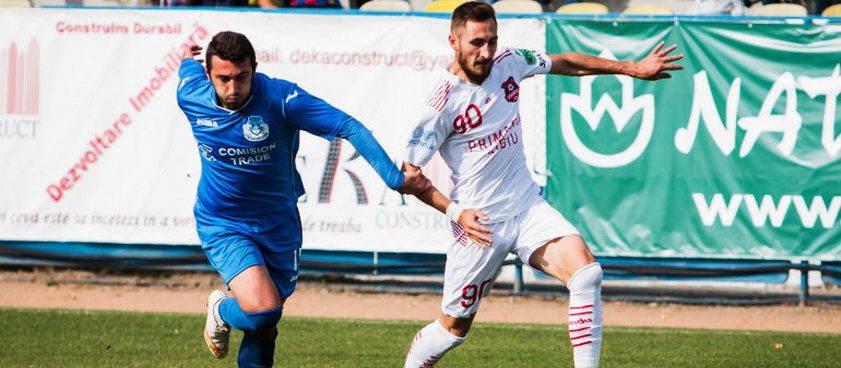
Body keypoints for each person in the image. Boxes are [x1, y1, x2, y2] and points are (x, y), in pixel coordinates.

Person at [400, 2, 683, 368]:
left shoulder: (509, 61)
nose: (485, 52)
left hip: (527, 208)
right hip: (479, 226)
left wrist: (630, 68)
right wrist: (456, 213)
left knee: (586, 274)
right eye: (476, 43)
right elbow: (410, 177)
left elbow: (564, 62)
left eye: (491, 40)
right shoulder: (440, 104)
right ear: (453, 41)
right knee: (453, 330)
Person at [176, 31, 430, 368]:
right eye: (224, 79)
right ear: (208, 75)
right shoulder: (190, 94)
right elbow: (186, 68)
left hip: (279, 224)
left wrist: (394, 178)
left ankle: (231, 315)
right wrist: (184, 57)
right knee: (264, 310)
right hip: (224, 223)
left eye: (242, 77)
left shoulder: (282, 98)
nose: (233, 88)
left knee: (264, 326)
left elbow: (348, 126)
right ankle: (220, 310)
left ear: (255, 67)